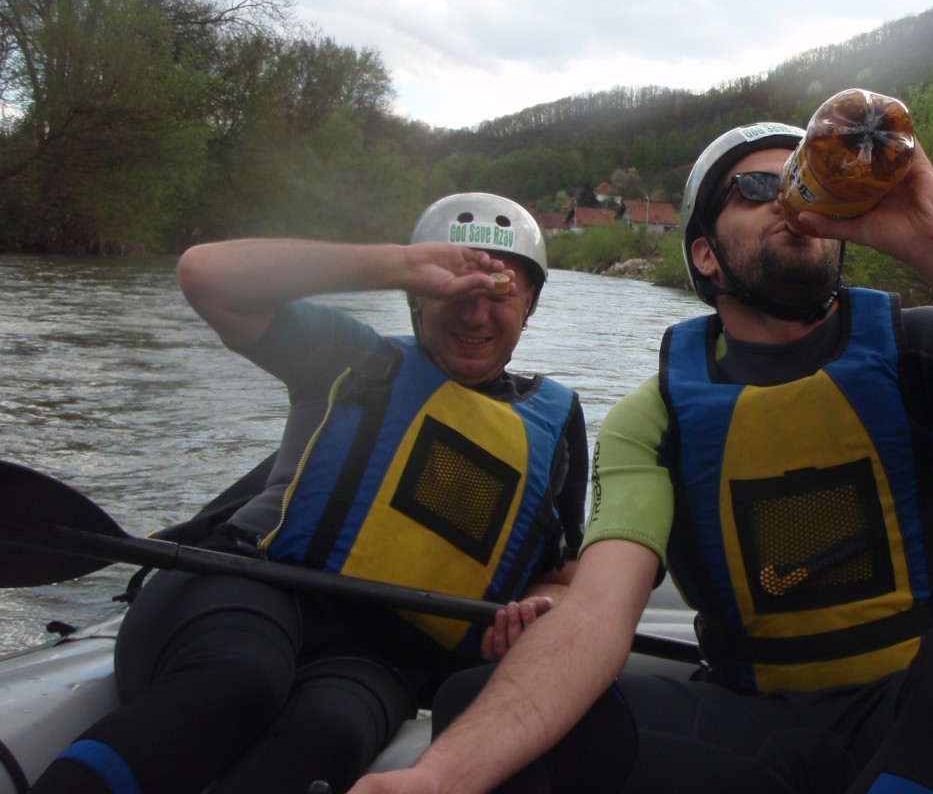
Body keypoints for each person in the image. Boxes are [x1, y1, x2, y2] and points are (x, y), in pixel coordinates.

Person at [351, 125, 933, 794]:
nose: (788, 200)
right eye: (758, 189)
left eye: (803, 183)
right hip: (762, 727)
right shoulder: (654, 417)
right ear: (705, 253)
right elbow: (597, 613)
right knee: (475, 707)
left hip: (925, 712)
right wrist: (439, 777)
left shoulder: (922, 347)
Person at [31, 193, 588, 794]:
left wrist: (535, 611)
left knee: (330, 733)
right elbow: (205, 275)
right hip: (248, 587)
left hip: (379, 657)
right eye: (456, 290)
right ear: (417, 297)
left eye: (499, 293)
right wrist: (400, 264)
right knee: (240, 680)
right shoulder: (350, 358)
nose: (475, 315)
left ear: (530, 305)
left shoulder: (555, 426)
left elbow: (559, 574)